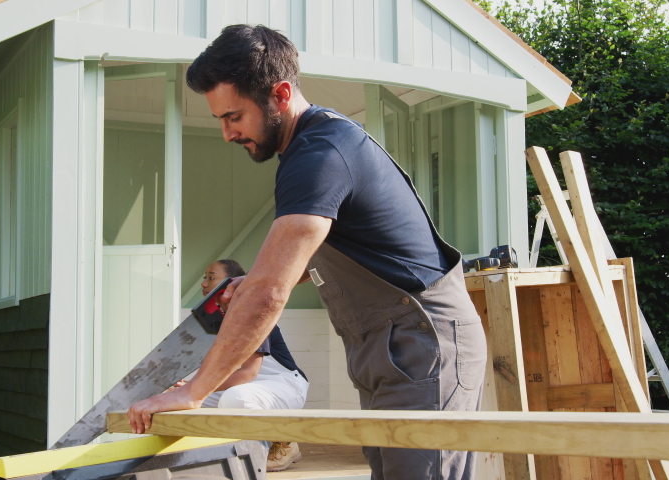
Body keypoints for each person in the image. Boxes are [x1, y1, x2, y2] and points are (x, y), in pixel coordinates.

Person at [128, 24, 488, 480]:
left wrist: (195, 391)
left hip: (423, 340)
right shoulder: (305, 152)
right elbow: (324, 255)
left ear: (279, 95)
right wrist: (253, 280)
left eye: (234, 116)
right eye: (220, 119)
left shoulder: (322, 153)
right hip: (384, 344)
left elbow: (268, 293)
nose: (226, 133)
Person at [195, 259, 309, 472]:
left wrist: (193, 387)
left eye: (211, 277)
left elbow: (248, 372)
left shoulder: (253, 312)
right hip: (248, 386)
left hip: (283, 385)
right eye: (205, 278)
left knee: (236, 398)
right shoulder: (212, 320)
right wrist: (184, 389)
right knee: (185, 404)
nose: (203, 284)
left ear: (230, 284)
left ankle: (284, 443)